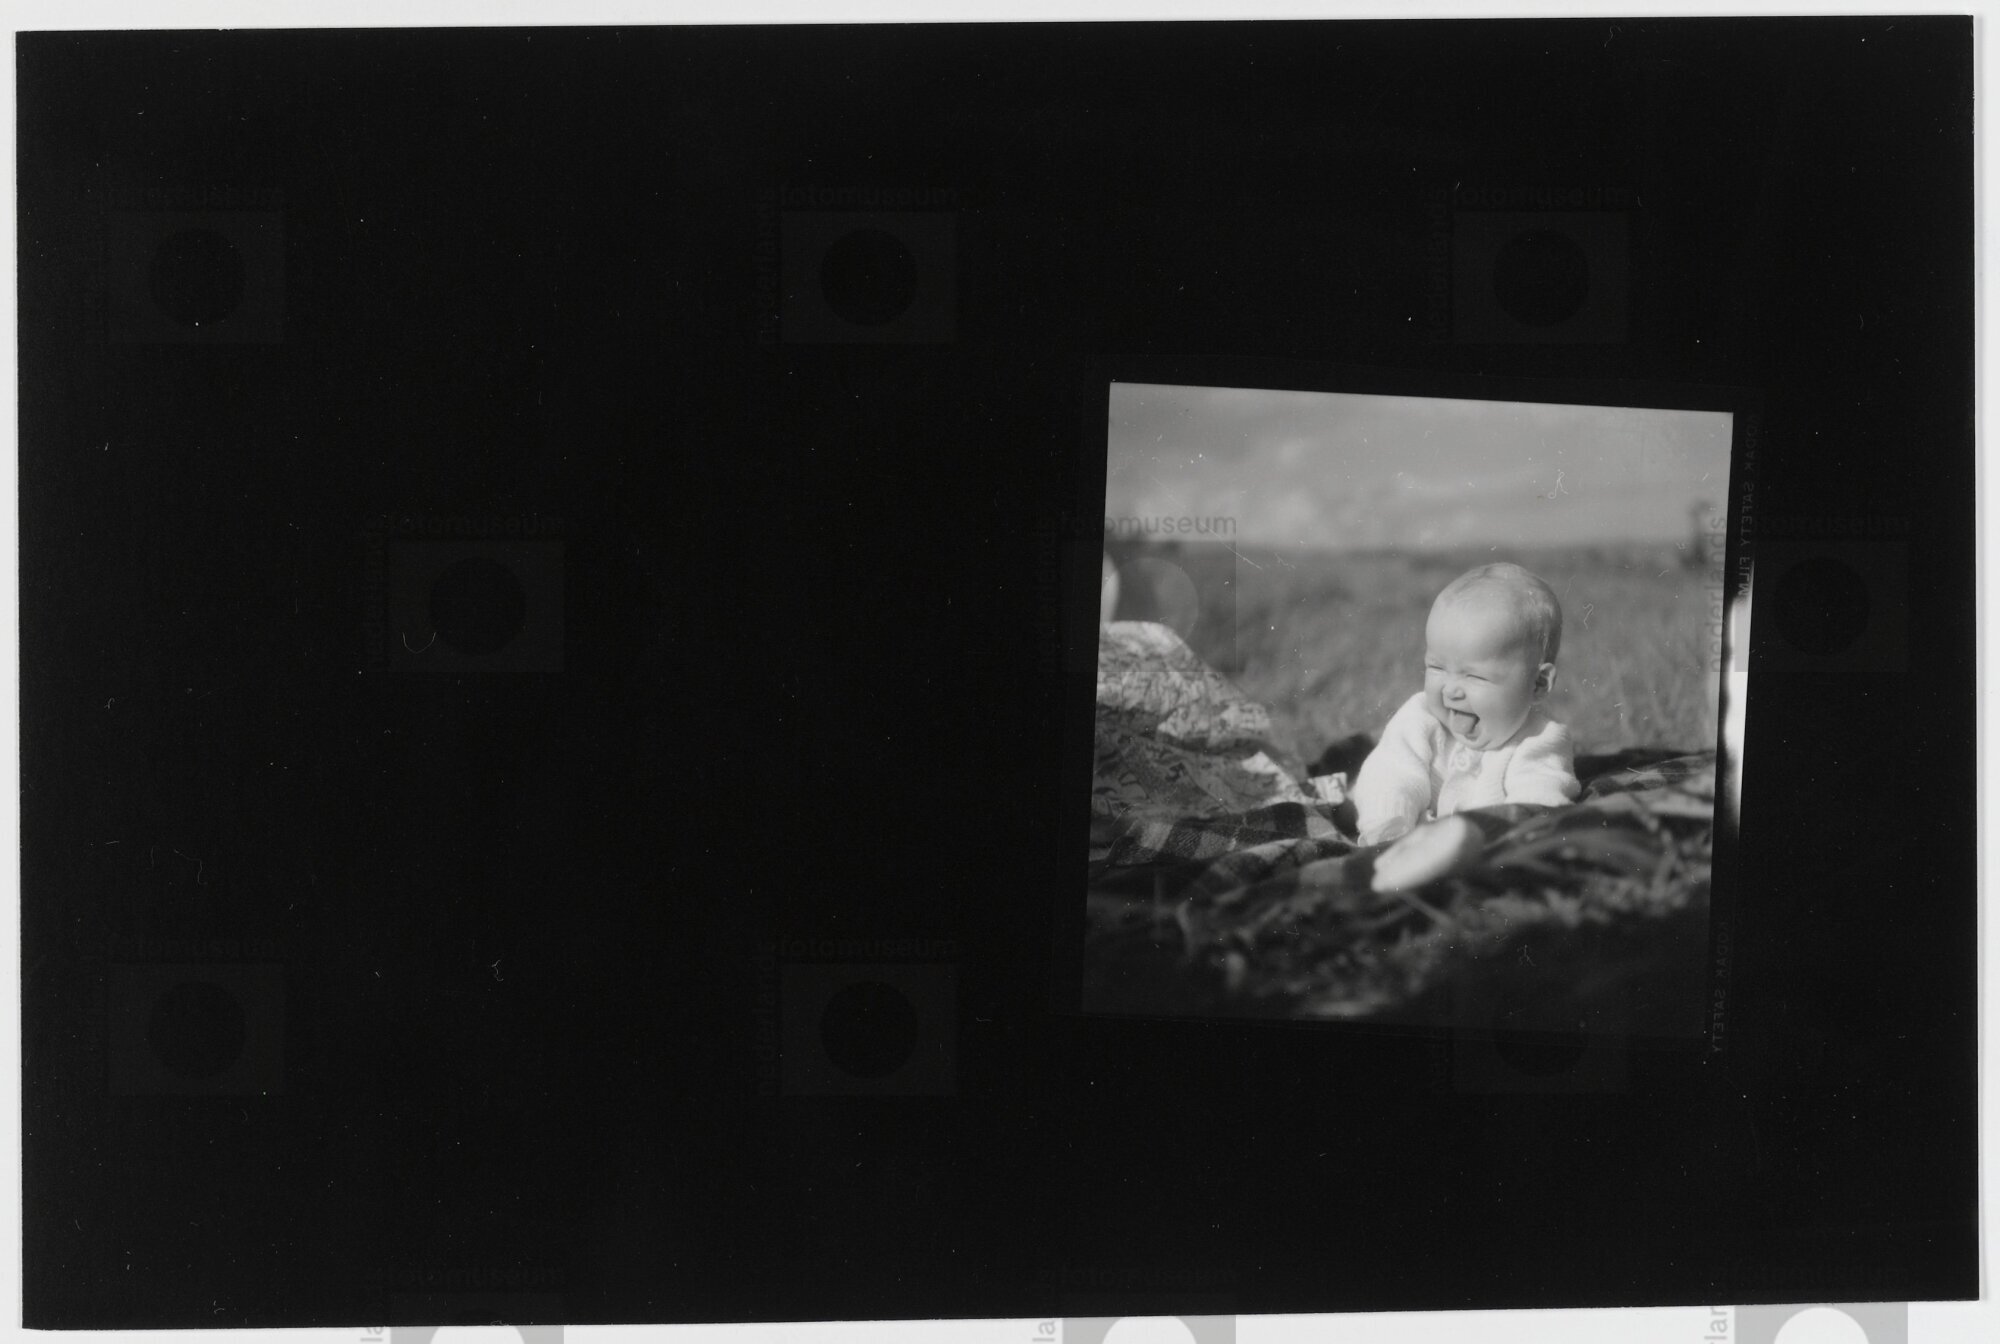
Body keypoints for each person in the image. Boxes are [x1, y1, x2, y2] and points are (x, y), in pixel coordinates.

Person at [1350, 562, 1580, 852]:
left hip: (1488, 850)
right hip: (1407, 842)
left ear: (1538, 683)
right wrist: (1389, 828)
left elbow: (1539, 799)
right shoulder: (1420, 717)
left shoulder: (1540, 739)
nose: (1451, 690)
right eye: (1436, 667)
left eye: (1474, 676)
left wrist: (1503, 845)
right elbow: (1388, 774)